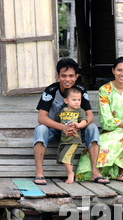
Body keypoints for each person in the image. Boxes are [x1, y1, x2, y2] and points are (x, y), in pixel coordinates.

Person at [33, 57, 109, 185]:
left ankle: (94, 172)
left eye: (71, 76)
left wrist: (78, 126)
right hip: (56, 131)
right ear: (58, 76)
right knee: (40, 129)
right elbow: (41, 117)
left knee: (93, 128)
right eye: (64, 76)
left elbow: (89, 117)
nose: (67, 79)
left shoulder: (80, 91)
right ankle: (39, 173)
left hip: (75, 132)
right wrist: (62, 127)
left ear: (76, 76)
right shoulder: (51, 90)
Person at [75, 57, 123, 182]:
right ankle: (116, 169)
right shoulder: (104, 90)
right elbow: (105, 118)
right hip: (112, 130)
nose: (122, 74)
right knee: (105, 144)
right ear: (113, 71)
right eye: (119, 70)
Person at [56, 86, 88, 183]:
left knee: (66, 157)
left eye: (79, 100)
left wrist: (78, 125)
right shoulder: (62, 111)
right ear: (66, 101)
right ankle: (70, 173)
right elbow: (57, 122)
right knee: (63, 156)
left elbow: (84, 121)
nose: (77, 102)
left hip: (74, 140)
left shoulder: (80, 111)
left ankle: (71, 174)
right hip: (64, 139)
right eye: (74, 99)